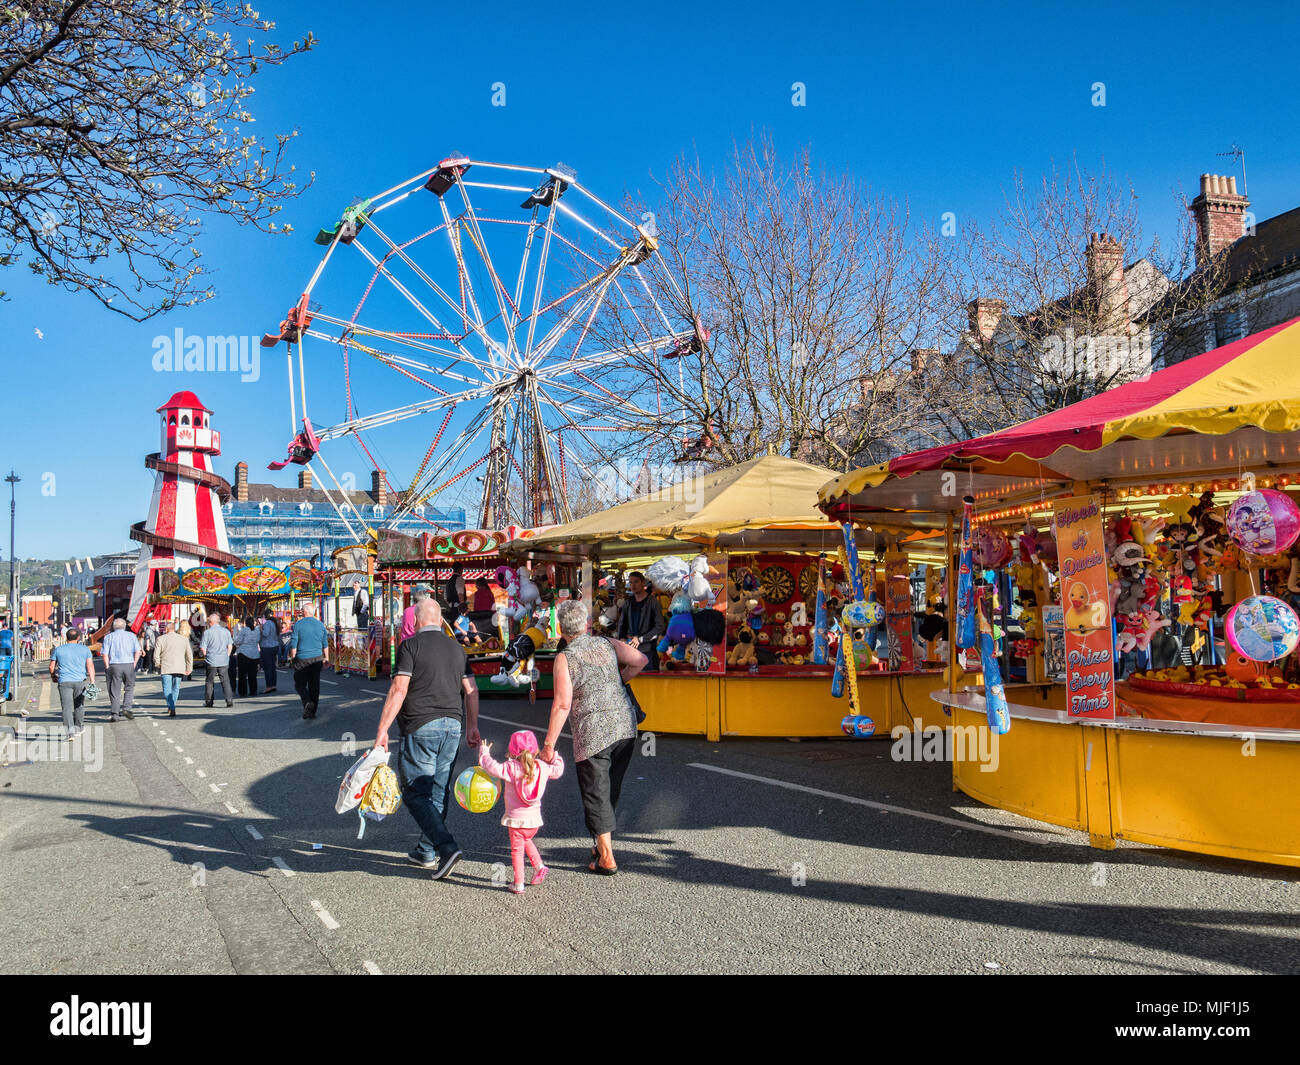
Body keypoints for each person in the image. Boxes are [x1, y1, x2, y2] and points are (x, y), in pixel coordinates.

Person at [373, 597, 480, 880]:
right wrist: (473, 726)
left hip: (421, 725)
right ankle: (426, 850)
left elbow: (399, 689)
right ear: (440, 619)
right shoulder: (457, 648)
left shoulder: (410, 646)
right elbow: (471, 690)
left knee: (414, 792)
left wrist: (382, 729)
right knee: (438, 790)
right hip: (453, 726)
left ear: (416, 621)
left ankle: (446, 848)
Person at [542, 600, 647, 875]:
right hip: (625, 725)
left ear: (561, 628)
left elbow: (562, 704)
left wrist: (549, 745)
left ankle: (607, 858)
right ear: (586, 623)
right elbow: (640, 660)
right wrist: (619, 680)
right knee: (609, 788)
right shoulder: (607, 643)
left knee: (595, 793)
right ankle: (600, 843)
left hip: (594, 731)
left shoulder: (565, 657)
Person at [478, 730, 564, 895]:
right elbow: (558, 770)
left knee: (517, 851)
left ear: (511, 751)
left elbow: (491, 767)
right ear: (536, 750)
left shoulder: (511, 768)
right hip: (534, 821)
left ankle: (518, 884)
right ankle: (539, 866)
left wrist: (484, 751)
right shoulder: (542, 767)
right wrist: (555, 756)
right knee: (527, 840)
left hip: (516, 821)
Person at [615, 571, 667, 671]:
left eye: (636, 582)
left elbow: (660, 626)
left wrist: (640, 639)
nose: (633, 585)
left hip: (648, 653)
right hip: (631, 652)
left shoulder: (653, 602)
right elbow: (622, 624)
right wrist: (621, 638)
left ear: (643, 583)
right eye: (630, 582)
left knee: (649, 683)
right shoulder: (628, 602)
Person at [50, 627, 95, 739]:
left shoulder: (58, 650)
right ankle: (78, 728)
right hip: (80, 681)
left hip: (64, 681)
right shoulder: (85, 649)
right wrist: (92, 681)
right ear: (78, 638)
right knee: (79, 705)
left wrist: (53, 676)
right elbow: (90, 666)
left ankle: (70, 733)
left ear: (66, 637)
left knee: (66, 708)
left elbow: (51, 666)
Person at [288, 600, 329, 719]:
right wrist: (326, 658)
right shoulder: (320, 625)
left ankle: (307, 702)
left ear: (304, 612)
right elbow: (325, 644)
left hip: (302, 658)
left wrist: (292, 658)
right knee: (314, 685)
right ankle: (313, 711)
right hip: (317, 658)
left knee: (299, 684)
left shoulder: (298, 625)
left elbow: (294, 644)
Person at [101, 617, 141, 722]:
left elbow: (105, 654)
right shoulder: (132, 636)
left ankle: (115, 713)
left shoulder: (108, 637)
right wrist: (134, 663)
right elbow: (138, 651)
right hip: (128, 664)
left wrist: (107, 667)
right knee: (129, 687)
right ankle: (127, 708)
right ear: (124, 626)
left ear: (114, 627)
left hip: (114, 665)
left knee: (114, 690)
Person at [155, 620, 192, 717]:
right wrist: (189, 667)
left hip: (166, 667)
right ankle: (172, 705)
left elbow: (156, 655)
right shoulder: (184, 639)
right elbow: (189, 655)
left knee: (167, 688)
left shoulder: (160, 639)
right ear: (174, 629)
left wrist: (158, 665)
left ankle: (171, 706)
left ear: (166, 629)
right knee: (176, 688)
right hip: (179, 667)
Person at [200, 612, 235, 708]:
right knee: (225, 681)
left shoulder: (207, 633)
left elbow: (203, 648)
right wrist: (227, 656)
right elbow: (230, 646)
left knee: (209, 681)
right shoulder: (226, 632)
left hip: (211, 660)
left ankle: (209, 701)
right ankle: (229, 700)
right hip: (223, 659)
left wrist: (207, 656)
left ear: (211, 622)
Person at [257, 609, 280, 692]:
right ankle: (273, 685)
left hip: (267, 647)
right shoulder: (275, 623)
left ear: (265, 616)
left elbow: (265, 634)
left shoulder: (267, 623)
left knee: (267, 667)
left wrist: (260, 628)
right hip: (275, 646)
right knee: (273, 667)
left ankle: (269, 686)